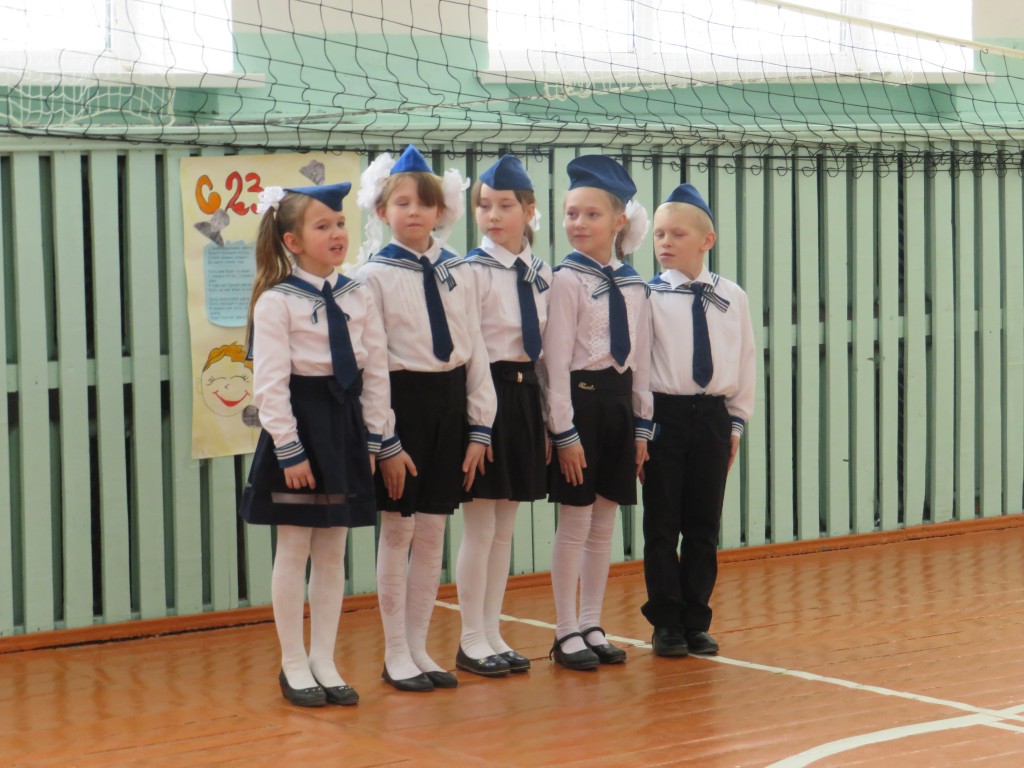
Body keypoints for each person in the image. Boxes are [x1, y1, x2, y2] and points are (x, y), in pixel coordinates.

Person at [238, 181, 404, 707]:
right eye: (322, 225)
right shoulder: (276, 302)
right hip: (301, 427)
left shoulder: (358, 293)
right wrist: (289, 449)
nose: (336, 233)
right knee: (294, 547)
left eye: (340, 223)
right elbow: (270, 384)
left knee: (333, 550)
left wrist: (375, 438)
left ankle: (324, 660)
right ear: (292, 241)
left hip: (345, 425)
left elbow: (376, 370)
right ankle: (293, 662)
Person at [355, 145, 497, 692]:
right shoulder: (371, 276)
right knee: (399, 529)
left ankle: (419, 647)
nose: (413, 211)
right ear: (381, 211)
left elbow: (475, 347)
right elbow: (372, 365)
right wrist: (385, 439)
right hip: (402, 405)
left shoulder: (459, 269)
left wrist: (480, 425)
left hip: (450, 404)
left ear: (442, 211)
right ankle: (395, 653)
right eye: (402, 202)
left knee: (435, 529)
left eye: (424, 203)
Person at [541, 155, 653, 671]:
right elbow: (555, 363)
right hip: (579, 406)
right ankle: (565, 630)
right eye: (571, 214)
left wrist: (641, 426)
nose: (579, 223)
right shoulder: (566, 280)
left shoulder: (634, 283)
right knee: (575, 521)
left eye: (591, 214)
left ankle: (591, 622)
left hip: (618, 406)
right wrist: (563, 432)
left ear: (619, 221)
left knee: (604, 520)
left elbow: (641, 359)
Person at [639, 184, 756, 657]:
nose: (665, 242)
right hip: (664, 417)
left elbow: (745, 360)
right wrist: (642, 427)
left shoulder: (731, 297)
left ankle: (696, 619)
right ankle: (666, 622)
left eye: (677, 234)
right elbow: (640, 368)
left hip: (712, 417)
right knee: (662, 523)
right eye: (659, 234)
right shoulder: (646, 296)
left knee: (703, 524)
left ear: (707, 240)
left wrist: (736, 422)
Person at [456, 155, 552, 677]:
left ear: (529, 211)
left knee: (504, 527)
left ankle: (492, 630)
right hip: (484, 393)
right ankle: (470, 637)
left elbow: (543, 354)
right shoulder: (471, 270)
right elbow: (471, 349)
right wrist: (478, 420)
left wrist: (546, 419)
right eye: (484, 205)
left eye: (505, 206)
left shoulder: (540, 273)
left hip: (523, 396)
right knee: (479, 525)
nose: (493, 216)